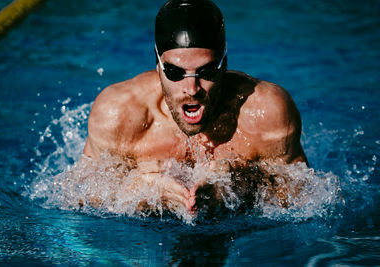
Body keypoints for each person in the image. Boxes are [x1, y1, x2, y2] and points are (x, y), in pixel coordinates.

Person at [82, 0, 308, 214]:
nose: (191, 88)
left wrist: (236, 184)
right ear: (158, 65)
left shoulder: (266, 111)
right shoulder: (118, 113)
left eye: (206, 71)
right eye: (175, 72)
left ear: (224, 64)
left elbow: (305, 197)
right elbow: (77, 195)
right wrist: (139, 191)